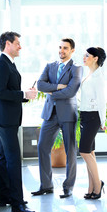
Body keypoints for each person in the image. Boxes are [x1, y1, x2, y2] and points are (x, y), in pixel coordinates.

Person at [0, 31, 37, 212]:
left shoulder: (7, 64)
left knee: (5, 158)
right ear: (8, 44)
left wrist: (26, 95)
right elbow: (0, 93)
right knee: (14, 159)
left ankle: (5, 197)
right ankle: (17, 203)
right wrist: (23, 94)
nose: (20, 47)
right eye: (18, 43)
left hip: (6, 118)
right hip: (5, 120)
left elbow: (8, 92)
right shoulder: (1, 64)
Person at [31, 38, 82, 198]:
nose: (61, 50)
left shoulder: (76, 69)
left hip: (67, 114)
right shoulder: (50, 66)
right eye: (60, 47)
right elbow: (40, 85)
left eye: (65, 48)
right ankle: (46, 185)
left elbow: (71, 91)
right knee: (42, 147)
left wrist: (51, 93)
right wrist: (57, 87)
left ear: (72, 50)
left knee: (70, 150)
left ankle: (68, 187)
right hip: (50, 114)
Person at [79, 47, 107, 200]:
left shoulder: (98, 77)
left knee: (84, 151)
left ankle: (98, 184)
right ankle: (91, 188)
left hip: (93, 117)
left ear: (95, 58)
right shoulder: (89, 74)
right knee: (90, 152)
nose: (84, 57)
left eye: (87, 55)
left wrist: (102, 121)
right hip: (85, 116)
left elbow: (101, 101)